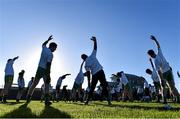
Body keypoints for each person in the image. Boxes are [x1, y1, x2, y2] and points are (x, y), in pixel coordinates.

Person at [147, 35, 180, 103]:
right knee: (172, 86)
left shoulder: (155, 61)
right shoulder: (159, 53)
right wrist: (155, 40)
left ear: (150, 55)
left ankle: (165, 100)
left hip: (164, 73)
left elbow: (159, 71)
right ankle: (178, 98)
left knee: (163, 87)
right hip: (169, 70)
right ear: (154, 52)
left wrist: (161, 79)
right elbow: (158, 46)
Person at [26, 35, 57, 106]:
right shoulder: (50, 54)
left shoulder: (44, 48)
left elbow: (43, 44)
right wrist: (48, 75)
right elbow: (48, 65)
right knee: (47, 84)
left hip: (39, 68)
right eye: (55, 48)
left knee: (34, 84)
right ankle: (46, 101)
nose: (55, 50)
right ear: (52, 47)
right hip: (45, 70)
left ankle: (28, 97)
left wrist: (48, 39)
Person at [81, 36, 111, 105]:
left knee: (92, 88)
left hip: (95, 74)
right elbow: (95, 48)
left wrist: (88, 82)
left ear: (83, 59)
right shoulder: (92, 56)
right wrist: (95, 41)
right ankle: (109, 101)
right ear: (86, 55)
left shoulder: (86, 64)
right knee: (104, 86)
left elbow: (88, 73)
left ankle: (87, 101)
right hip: (101, 71)